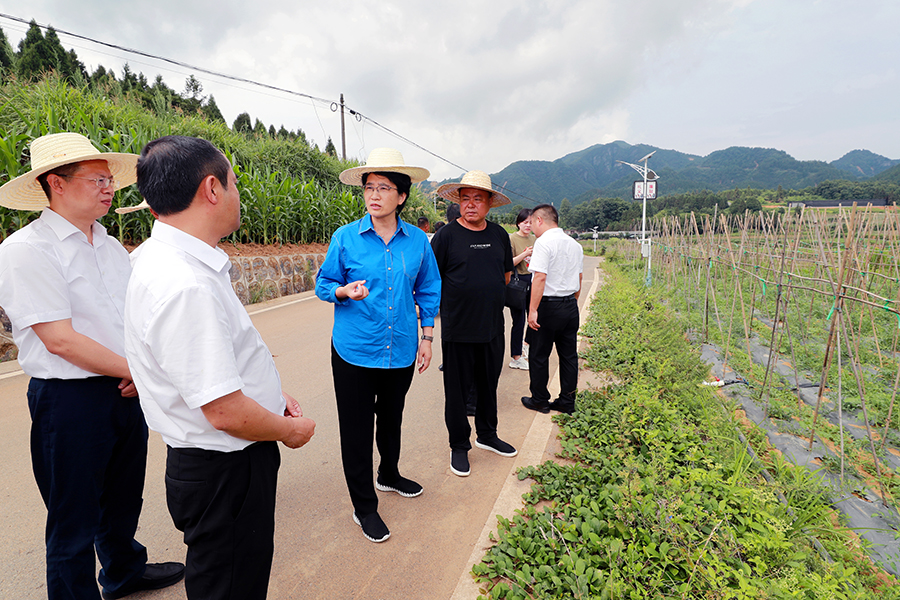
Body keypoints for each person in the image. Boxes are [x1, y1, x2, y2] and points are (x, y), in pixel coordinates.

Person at [124, 135, 316, 600]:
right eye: (232, 183)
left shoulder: (163, 258)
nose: (236, 193)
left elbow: (214, 365)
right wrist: (288, 430)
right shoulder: (186, 283)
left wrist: (270, 397)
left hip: (213, 463)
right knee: (231, 586)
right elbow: (226, 411)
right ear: (212, 189)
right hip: (226, 467)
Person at [0, 132, 184, 600]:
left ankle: (123, 572)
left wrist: (139, 369)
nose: (109, 188)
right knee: (73, 516)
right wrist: (135, 370)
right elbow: (59, 339)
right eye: (97, 178)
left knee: (123, 497)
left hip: (124, 389)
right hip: (70, 399)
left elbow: (129, 316)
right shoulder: (27, 249)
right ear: (55, 183)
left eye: (110, 180)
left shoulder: (107, 244)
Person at [316, 147, 441, 543]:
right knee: (356, 429)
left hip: (400, 348)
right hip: (354, 350)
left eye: (383, 188)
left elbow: (428, 289)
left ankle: (389, 474)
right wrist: (342, 291)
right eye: (369, 188)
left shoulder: (418, 242)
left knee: (391, 419)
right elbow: (322, 284)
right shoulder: (346, 238)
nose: (373, 195)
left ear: (401, 196)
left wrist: (426, 337)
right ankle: (364, 507)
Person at [432, 170, 517, 477]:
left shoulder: (498, 236)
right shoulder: (446, 236)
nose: (470, 205)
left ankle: (488, 434)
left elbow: (505, 276)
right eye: (465, 199)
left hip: (493, 327)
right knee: (456, 390)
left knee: (488, 384)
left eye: (477, 199)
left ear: (489, 203)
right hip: (458, 329)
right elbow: (432, 280)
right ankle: (459, 445)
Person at [520, 204, 584, 415]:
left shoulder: (543, 243)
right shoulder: (574, 244)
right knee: (568, 355)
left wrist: (533, 310)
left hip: (547, 306)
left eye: (532, 222)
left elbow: (539, 277)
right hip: (569, 305)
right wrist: (571, 301)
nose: (531, 227)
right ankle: (567, 401)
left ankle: (540, 399)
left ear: (540, 220)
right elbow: (579, 278)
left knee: (539, 355)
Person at [508, 208, 535, 370]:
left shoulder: (535, 239)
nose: (528, 225)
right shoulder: (511, 239)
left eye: (531, 222)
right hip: (517, 282)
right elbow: (508, 263)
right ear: (519, 223)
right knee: (519, 320)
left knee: (534, 317)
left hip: (533, 280)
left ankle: (526, 344)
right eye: (525, 222)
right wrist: (524, 255)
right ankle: (516, 357)